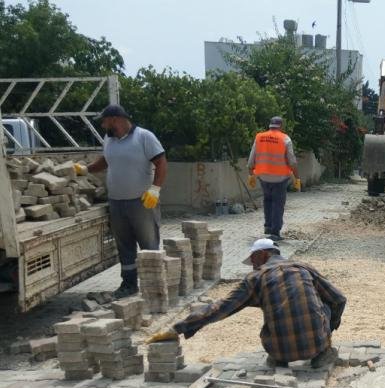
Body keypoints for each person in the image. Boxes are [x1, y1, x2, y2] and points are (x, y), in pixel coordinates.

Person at [147, 238, 346, 368]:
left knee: (280, 308)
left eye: (253, 260)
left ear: (264, 254)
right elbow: (339, 299)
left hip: (279, 350)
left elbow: (220, 308)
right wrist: (329, 328)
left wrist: (177, 328)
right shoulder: (303, 268)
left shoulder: (255, 280)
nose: (252, 265)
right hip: (316, 343)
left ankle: (280, 358)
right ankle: (323, 351)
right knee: (326, 304)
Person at [75, 104, 167, 299]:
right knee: (124, 247)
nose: (102, 124)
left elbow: (161, 162)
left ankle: (154, 286)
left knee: (148, 244)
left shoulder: (144, 137)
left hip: (142, 202)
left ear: (115, 119)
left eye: (104, 120)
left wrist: (155, 189)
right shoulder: (109, 139)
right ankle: (129, 284)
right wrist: (85, 170)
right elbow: (106, 160)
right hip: (116, 202)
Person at [247, 116, 299, 242]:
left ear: (270, 125)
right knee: (278, 204)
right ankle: (275, 233)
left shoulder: (259, 137)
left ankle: (268, 226)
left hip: (263, 177)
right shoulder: (285, 139)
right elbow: (292, 162)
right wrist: (297, 178)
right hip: (280, 178)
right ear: (281, 125)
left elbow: (251, 159)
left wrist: (250, 174)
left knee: (267, 200)